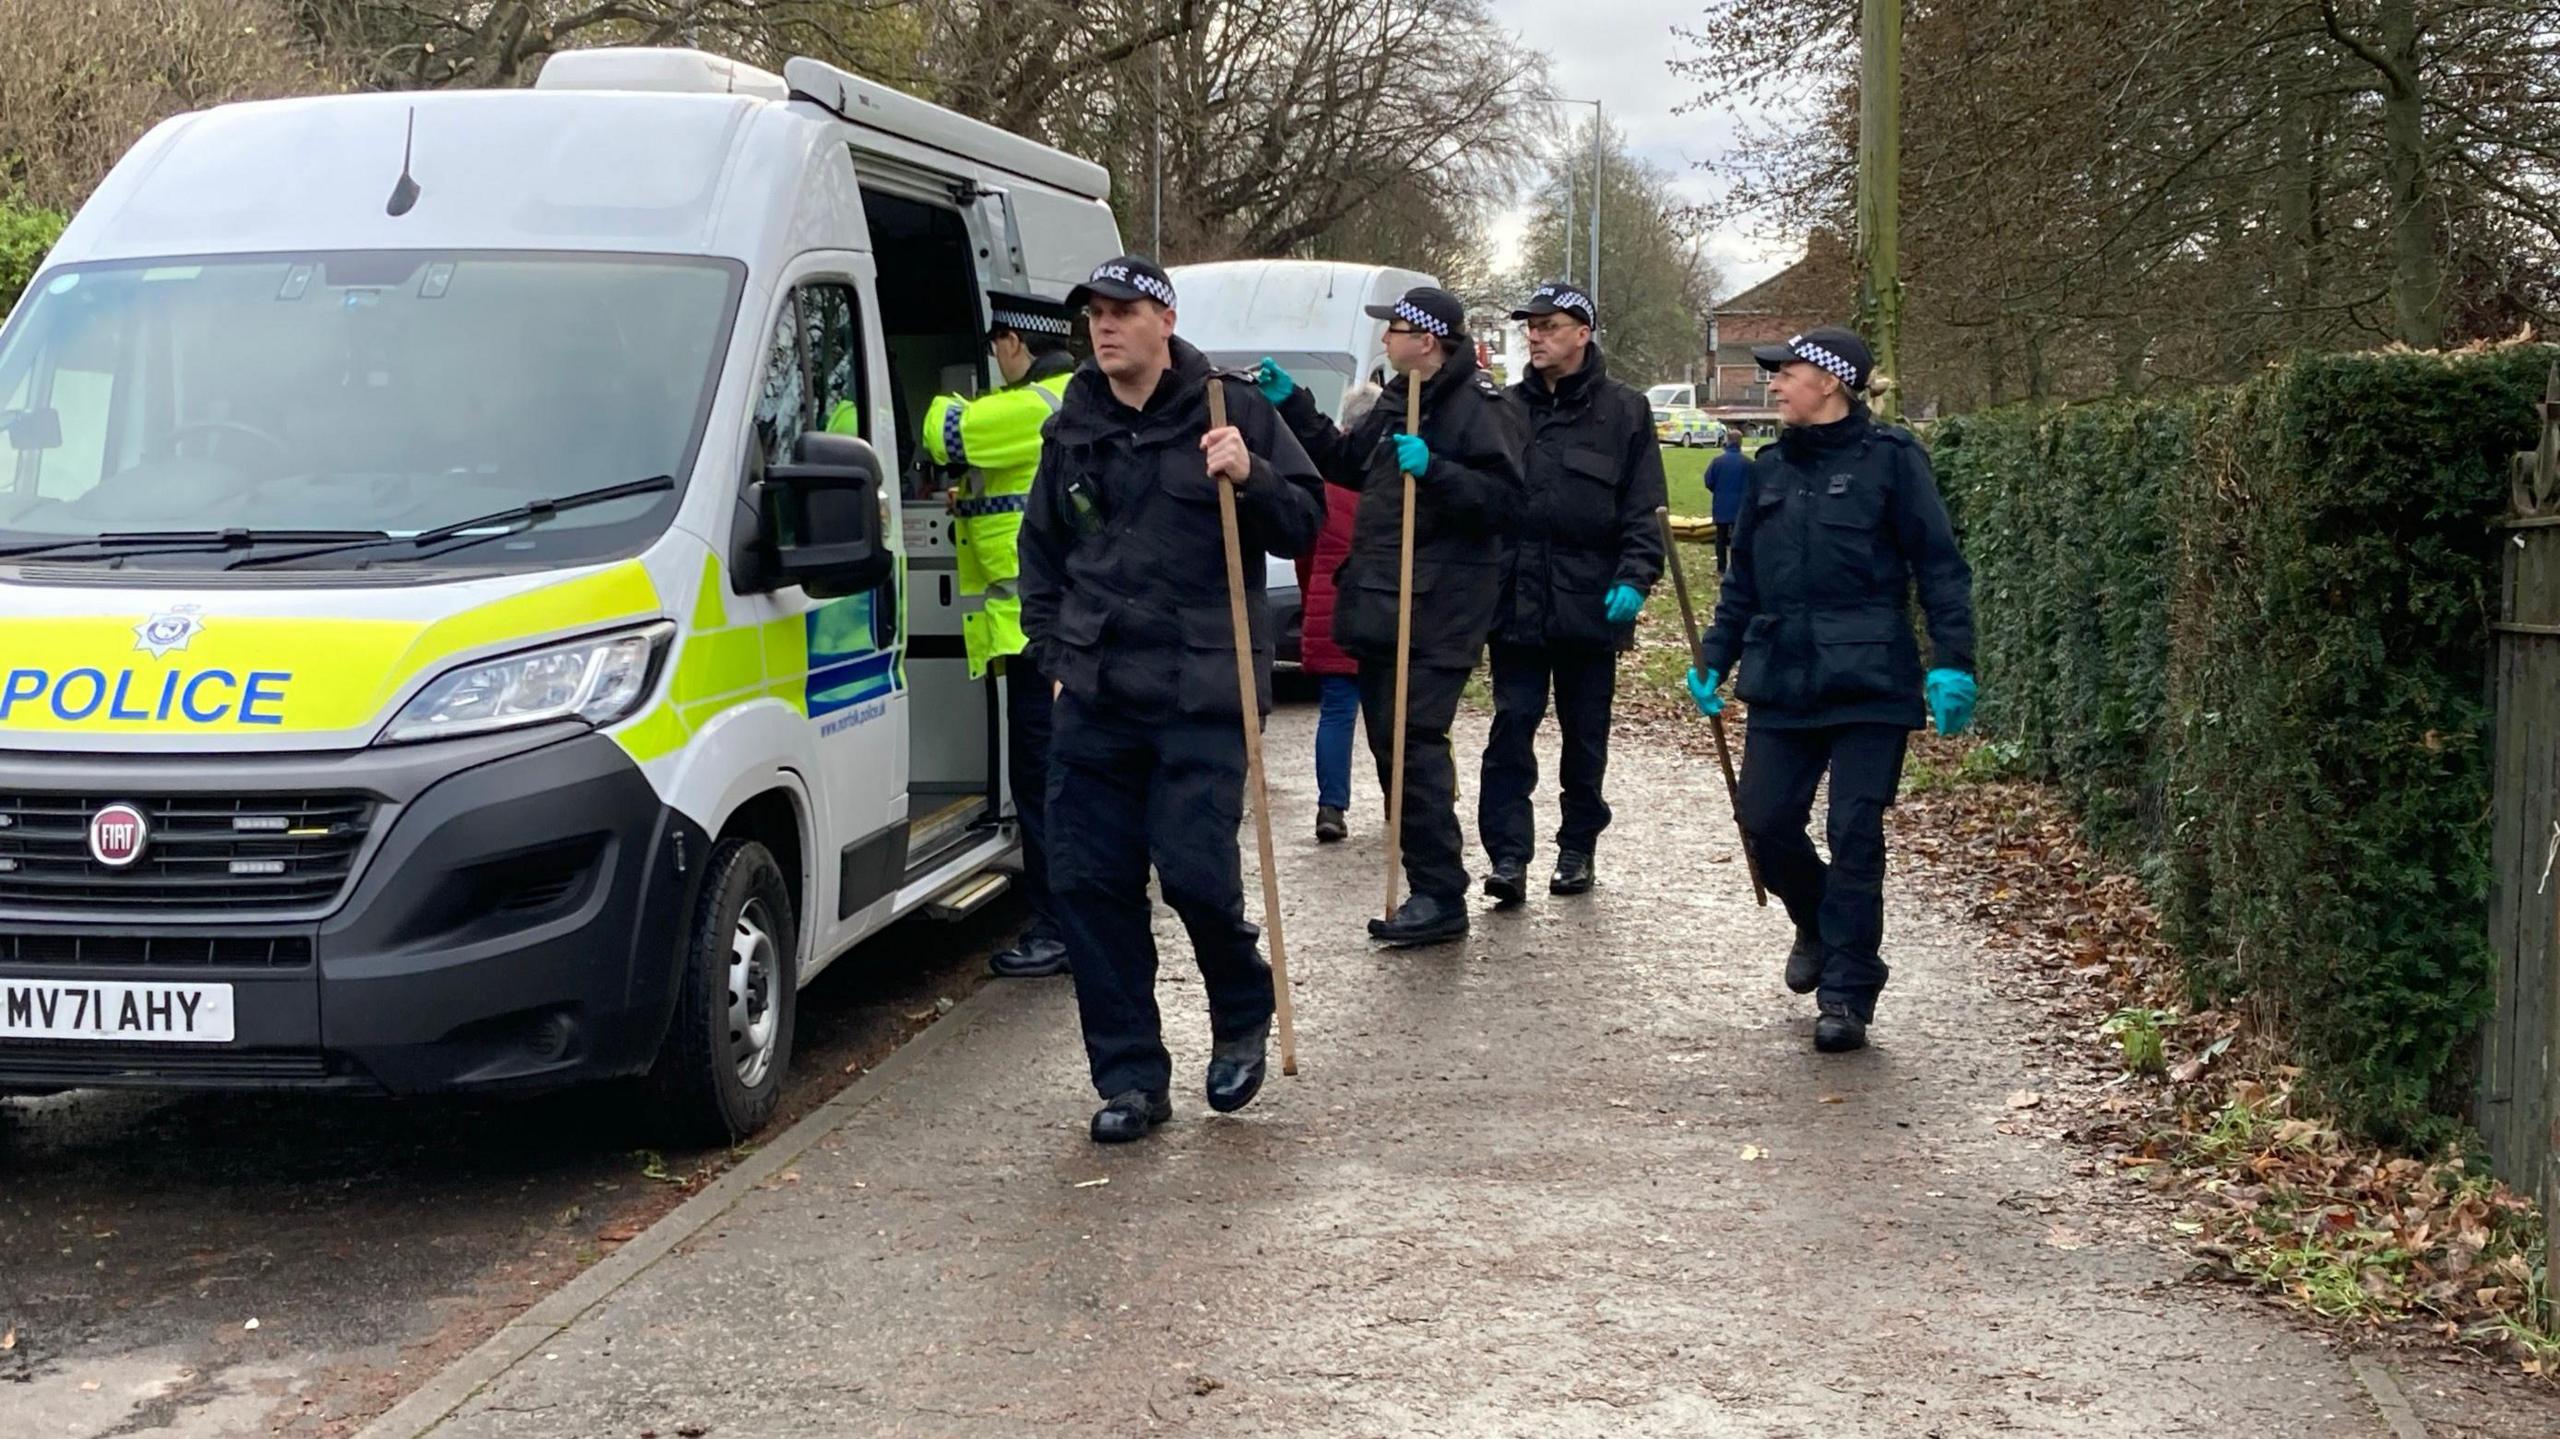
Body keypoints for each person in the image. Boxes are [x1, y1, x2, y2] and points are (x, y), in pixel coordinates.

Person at [1019, 257, 1324, 1143]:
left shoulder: (1231, 409)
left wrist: (1254, 476)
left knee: (1195, 875)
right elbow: (1040, 552)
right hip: (1097, 691)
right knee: (1088, 884)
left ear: (1164, 318)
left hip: (1202, 689)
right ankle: (1130, 1078)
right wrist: (1052, 652)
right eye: (1094, 316)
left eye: (1121, 312)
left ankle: (1241, 1006)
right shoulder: (1070, 425)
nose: (1103, 329)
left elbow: (1306, 521)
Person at [1686, 326, 1976, 1054]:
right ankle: (1815, 918)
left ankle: (1848, 988)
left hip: (1871, 678)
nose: (1773, 384)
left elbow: (1939, 566)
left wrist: (1953, 660)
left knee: (1854, 832)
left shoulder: (1893, 462)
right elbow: (1742, 577)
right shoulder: (1769, 469)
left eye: (1785, 373)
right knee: (1764, 819)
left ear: (1832, 381)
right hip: (1782, 675)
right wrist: (1715, 657)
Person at [1256, 287, 1528, 947]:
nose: (1386, 340)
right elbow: (1347, 461)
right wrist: (1292, 403)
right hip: (1382, 602)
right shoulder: (1393, 399)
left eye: (1396, 329)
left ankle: (1439, 892)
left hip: (1442, 608)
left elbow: (1505, 502)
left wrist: (1436, 469)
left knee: (1412, 742)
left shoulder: (1480, 409)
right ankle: (1429, 883)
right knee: (1390, 747)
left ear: (1428, 338)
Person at [1477, 280, 1665, 904]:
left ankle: (1578, 846)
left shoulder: (1625, 412)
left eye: (1549, 325)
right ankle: (1507, 855)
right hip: (1516, 604)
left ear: (1582, 333)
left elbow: (1644, 510)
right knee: (1511, 727)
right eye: (1529, 325)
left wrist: (1635, 579)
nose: (1534, 335)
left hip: (1589, 602)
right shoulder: (1504, 408)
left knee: (1585, 736)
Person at [914, 295, 1078, 978]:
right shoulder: (1058, 401)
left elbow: (942, 431)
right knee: (1052, 787)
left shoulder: (1035, 404)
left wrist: (948, 396)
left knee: (1044, 790)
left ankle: (1058, 929)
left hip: (1037, 636)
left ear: (1015, 341)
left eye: (996, 344)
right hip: (1040, 633)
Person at [1299, 377, 1382, 844]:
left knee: (1336, 713)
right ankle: (1402, 801)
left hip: (1332, 613)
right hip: (1383, 614)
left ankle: (1331, 806)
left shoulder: (1324, 484)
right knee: (1390, 714)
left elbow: (1305, 555)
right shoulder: (1393, 481)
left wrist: (1315, 596)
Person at [1707, 428, 1751, 574]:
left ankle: (1721, 567)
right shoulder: (1748, 463)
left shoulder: (1717, 462)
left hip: (1721, 504)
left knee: (1720, 537)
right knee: (1738, 538)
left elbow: (1709, 481)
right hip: (1741, 506)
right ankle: (1737, 568)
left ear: (1727, 441)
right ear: (1740, 443)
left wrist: (1718, 492)